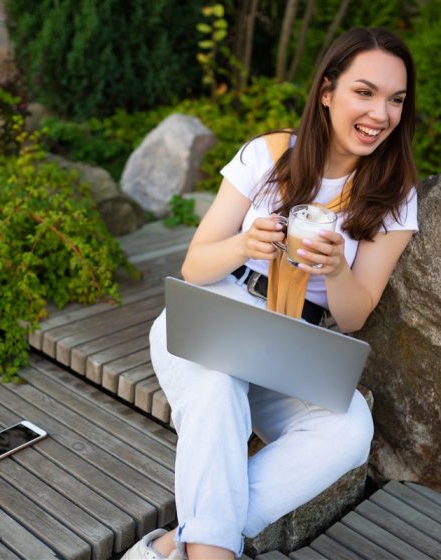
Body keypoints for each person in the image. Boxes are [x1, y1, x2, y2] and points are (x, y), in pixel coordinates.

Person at [122, 27, 418, 560]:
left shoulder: (394, 197)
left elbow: (353, 316)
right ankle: (212, 554)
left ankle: (173, 545)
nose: (381, 114)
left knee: (350, 427)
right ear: (327, 91)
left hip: (287, 343)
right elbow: (194, 265)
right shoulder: (269, 154)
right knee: (216, 383)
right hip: (214, 311)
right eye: (365, 92)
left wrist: (336, 270)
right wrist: (243, 244)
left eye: (396, 100)